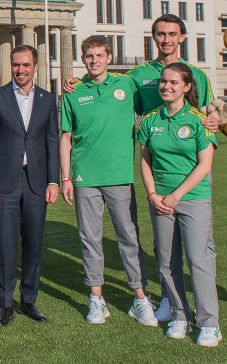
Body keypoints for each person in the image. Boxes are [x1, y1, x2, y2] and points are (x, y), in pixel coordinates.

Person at [63, 14, 215, 322]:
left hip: (187, 170)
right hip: (152, 172)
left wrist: (214, 118)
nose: (166, 39)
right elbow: (93, 102)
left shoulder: (196, 74)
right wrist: (75, 81)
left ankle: (200, 314)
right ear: (153, 37)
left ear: (182, 37)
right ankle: (171, 305)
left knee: (196, 252)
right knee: (163, 247)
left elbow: (210, 111)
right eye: (160, 34)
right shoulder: (137, 75)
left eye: (172, 33)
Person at [60, 35, 157, 327]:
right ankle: (97, 299)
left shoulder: (126, 85)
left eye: (99, 55)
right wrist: (65, 177)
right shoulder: (73, 92)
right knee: (90, 239)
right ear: (83, 58)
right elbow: (65, 137)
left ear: (109, 57)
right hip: (84, 177)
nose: (94, 60)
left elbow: (155, 106)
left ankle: (140, 298)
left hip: (119, 176)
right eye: (89, 56)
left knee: (129, 237)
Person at [138, 63, 221, 347]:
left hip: (193, 197)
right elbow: (145, 161)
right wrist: (153, 195)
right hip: (160, 199)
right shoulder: (150, 120)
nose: (166, 86)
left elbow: (204, 164)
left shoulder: (200, 120)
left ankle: (209, 322)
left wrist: (177, 195)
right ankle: (179, 315)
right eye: (163, 81)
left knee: (199, 260)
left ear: (186, 87)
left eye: (174, 82)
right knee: (166, 262)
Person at [0, 45, 59, 326]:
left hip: (37, 181)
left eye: (26, 65)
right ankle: (5, 304)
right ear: (10, 66)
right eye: (16, 65)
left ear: (36, 67)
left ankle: (29, 300)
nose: (20, 70)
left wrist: (53, 180)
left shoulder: (48, 100)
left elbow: (52, 141)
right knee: (4, 243)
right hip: (5, 181)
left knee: (34, 243)